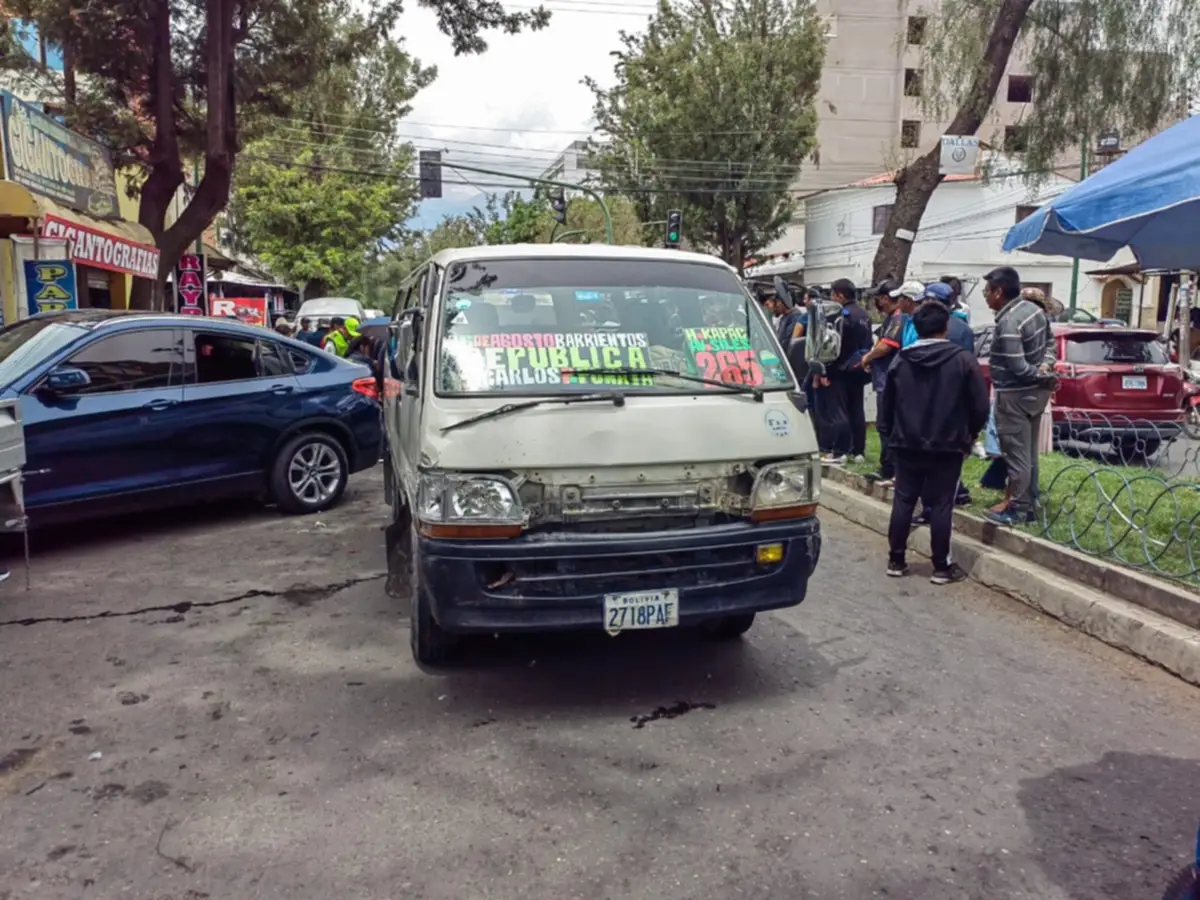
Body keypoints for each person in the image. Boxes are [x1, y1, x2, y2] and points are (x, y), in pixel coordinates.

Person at [880, 302, 990, 584]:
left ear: (915, 328)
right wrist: (971, 434)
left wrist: (890, 435)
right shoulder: (963, 360)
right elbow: (980, 405)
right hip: (948, 444)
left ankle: (896, 559)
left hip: (906, 443)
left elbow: (886, 404)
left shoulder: (901, 360)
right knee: (942, 504)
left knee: (904, 500)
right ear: (946, 327)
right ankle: (941, 566)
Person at [980, 266, 1057, 526]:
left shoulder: (1009, 322)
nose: (985, 297)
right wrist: (1045, 368)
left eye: (987, 291)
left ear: (999, 292)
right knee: (1029, 452)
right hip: (1036, 395)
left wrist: (1038, 373)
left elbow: (1018, 367)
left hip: (1015, 394)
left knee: (1016, 454)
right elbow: (1051, 344)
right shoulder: (1035, 310)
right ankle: (1031, 502)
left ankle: (1019, 509)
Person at [822, 278, 874, 465]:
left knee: (839, 411)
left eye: (833, 294)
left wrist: (825, 371)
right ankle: (858, 451)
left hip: (841, 369)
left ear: (840, 295)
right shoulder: (864, 315)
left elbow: (833, 346)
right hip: (860, 367)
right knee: (856, 409)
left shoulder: (840, 316)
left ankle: (839, 451)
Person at [857, 279, 902, 486]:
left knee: (886, 425)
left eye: (878, 297)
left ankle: (890, 467)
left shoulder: (898, 318)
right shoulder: (891, 318)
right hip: (886, 378)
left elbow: (885, 347)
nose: (876, 301)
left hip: (891, 381)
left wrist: (867, 357)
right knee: (885, 425)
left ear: (885, 297)